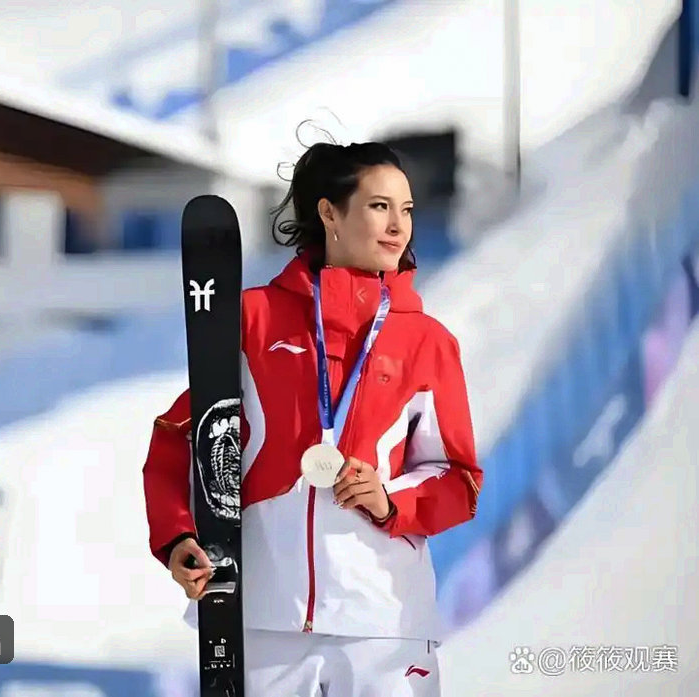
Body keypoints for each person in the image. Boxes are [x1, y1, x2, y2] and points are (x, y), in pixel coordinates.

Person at [142, 140, 483, 696]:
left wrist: (390, 498)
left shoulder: (427, 343)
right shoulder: (254, 319)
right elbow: (181, 439)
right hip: (262, 615)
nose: (399, 225)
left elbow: (460, 480)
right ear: (329, 213)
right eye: (379, 206)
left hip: (383, 621)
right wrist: (179, 533)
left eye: (408, 210)